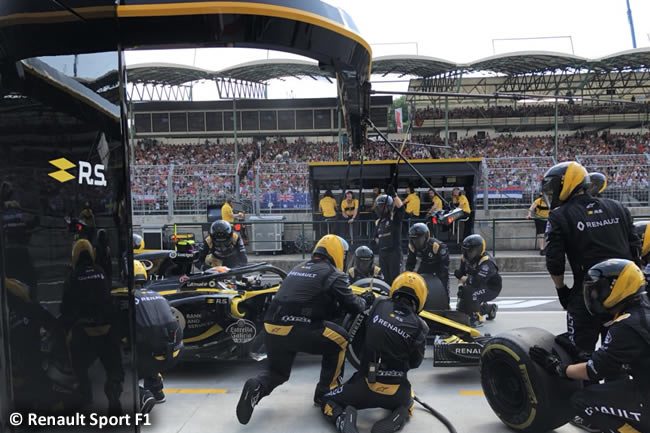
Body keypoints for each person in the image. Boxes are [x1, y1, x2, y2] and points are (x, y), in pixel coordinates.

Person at [236, 235, 373, 425]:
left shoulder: (297, 268)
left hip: (271, 327)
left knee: (278, 373)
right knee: (341, 340)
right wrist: (366, 299)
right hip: (298, 327)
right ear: (337, 253)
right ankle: (327, 392)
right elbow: (354, 305)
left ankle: (256, 386)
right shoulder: (334, 274)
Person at [530, 259, 650, 433]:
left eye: (598, 290)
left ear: (619, 288)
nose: (594, 296)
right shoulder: (641, 312)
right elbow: (616, 361)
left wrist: (559, 368)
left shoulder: (626, 326)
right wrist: (583, 355)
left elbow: (594, 371)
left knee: (582, 401)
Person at [543, 161, 640, 355]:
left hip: (587, 295)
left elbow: (554, 261)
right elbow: (636, 249)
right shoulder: (618, 207)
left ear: (567, 183)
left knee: (579, 354)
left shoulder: (559, 215)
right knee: (619, 356)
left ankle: (585, 384)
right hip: (624, 295)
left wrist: (562, 291)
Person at [320, 272, 429, 433]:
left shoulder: (378, 305)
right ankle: (397, 418)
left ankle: (344, 420)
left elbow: (361, 331)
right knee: (409, 399)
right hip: (396, 391)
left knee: (328, 399)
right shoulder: (421, 327)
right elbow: (415, 363)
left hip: (365, 386)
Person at [61, 239, 123, 415]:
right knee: (114, 369)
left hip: (84, 331)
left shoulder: (73, 277)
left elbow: (66, 308)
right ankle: (113, 397)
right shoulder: (101, 272)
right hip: (108, 329)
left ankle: (85, 393)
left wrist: (66, 328)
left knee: (78, 367)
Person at [133, 260, 183, 413]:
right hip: (174, 354)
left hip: (148, 357)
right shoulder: (157, 295)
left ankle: (141, 396)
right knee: (150, 340)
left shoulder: (125, 300)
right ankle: (157, 390)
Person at [454, 234, 501, 327]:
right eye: (467, 251)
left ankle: (476, 318)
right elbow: (461, 274)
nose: (469, 253)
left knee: (470, 293)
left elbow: (476, 282)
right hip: (477, 284)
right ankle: (489, 309)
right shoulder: (465, 258)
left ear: (479, 250)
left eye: (471, 251)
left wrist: (464, 279)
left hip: (491, 287)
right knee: (462, 308)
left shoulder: (486, 262)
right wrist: (460, 288)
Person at [373, 185, 405, 285]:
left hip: (394, 253)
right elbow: (376, 238)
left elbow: (401, 209)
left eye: (384, 207)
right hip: (382, 253)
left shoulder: (393, 219)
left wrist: (394, 195)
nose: (381, 209)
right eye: (380, 207)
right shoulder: (378, 222)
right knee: (385, 280)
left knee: (395, 279)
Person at [406, 223, 449, 294]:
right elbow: (410, 263)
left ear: (426, 237)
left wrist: (441, 276)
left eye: (419, 239)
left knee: (443, 285)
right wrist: (408, 276)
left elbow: (444, 263)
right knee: (418, 282)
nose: (416, 242)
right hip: (425, 264)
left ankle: (445, 302)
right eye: (413, 239)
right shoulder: (412, 246)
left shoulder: (437, 246)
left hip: (438, 265)